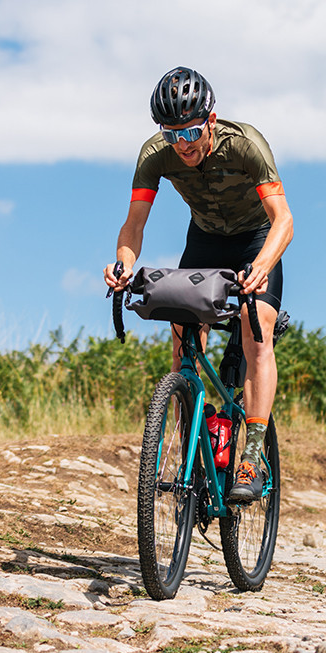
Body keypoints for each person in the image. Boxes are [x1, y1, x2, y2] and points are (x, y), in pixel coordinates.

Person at [104, 66, 294, 504]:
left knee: (255, 334)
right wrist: (123, 263)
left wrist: (262, 266)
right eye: (172, 135)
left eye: (190, 131)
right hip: (205, 241)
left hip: (256, 239)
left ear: (209, 119)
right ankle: (192, 440)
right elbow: (134, 224)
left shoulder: (246, 144)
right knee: (182, 337)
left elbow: (282, 219)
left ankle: (250, 453)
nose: (183, 144)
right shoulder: (155, 154)